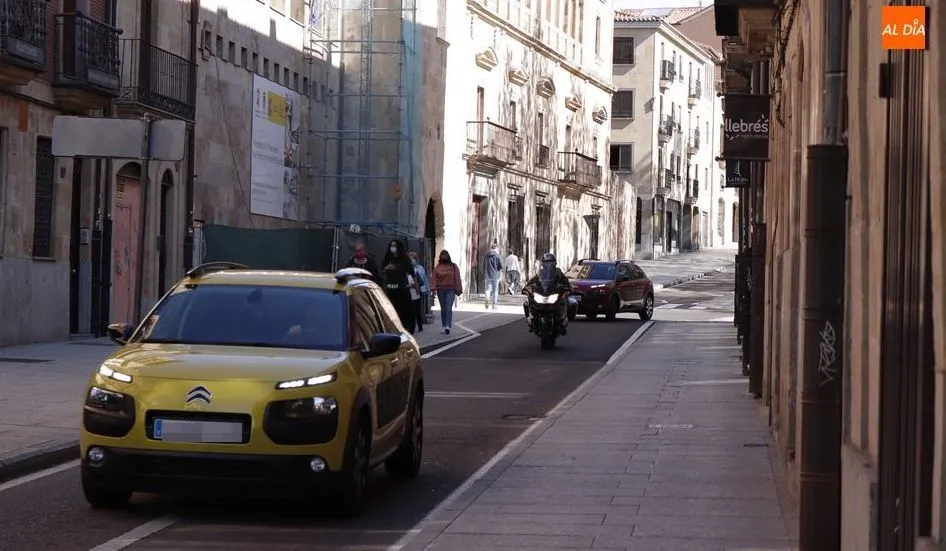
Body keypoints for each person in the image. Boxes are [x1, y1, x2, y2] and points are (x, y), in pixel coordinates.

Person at [522, 252, 571, 328]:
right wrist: (527, 288)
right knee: (527, 303)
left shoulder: (558, 272)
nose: (548, 265)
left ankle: (563, 318)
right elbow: (533, 281)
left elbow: (565, 281)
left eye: (550, 263)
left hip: (554, 292)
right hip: (543, 292)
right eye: (546, 263)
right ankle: (531, 319)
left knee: (567, 301)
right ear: (543, 264)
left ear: (554, 263)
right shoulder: (540, 273)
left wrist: (568, 287)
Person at [380, 239, 416, 333]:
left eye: (395, 246)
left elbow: (411, 273)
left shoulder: (405, 259)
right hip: (389, 289)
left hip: (401, 289)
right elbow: (382, 271)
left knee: (403, 310)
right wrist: (387, 268)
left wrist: (411, 285)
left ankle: (403, 329)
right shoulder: (388, 258)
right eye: (392, 246)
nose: (393, 248)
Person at [431, 250, 462, 335]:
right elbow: (434, 278)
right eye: (442, 255)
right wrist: (433, 289)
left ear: (448, 256)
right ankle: (444, 326)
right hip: (441, 290)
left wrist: (458, 289)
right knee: (443, 309)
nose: (443, 257)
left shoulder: (453, 266)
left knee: (448, 308)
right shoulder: (438, 267)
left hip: (450, 289)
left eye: (445, 255)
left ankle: (448, 326)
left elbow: (457, 278)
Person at [407, 251, 429, 333]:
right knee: (410, 310)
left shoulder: (419, 268)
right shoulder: (405, 269)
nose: (412, 260)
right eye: (410, 259)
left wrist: (426, 289)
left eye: (413, 259)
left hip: (417, 291)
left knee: (417, 310)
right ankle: (411, 327)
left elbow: (423, 280)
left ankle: (419, 326)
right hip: (408, 292)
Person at [483, 242, 503, 310]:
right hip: (495, 275)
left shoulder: (486, 255)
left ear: (491, 247)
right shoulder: (497, 256)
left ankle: (487, 299)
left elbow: (483, 265)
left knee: (487, 289)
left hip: (487, 275)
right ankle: (494, 305)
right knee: (495, 290)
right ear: (496, 248)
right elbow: (501, 266)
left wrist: (484, 272)